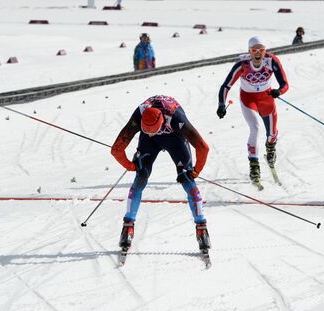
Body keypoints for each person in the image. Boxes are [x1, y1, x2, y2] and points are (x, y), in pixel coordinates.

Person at [111, 95, 210, 252]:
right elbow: (116, 149)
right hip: (149, 142)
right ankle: (128, 226)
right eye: (146, 131)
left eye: (153, 131)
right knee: (141, 175)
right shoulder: (140, 114)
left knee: (187, 179)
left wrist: (195, 171)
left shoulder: (176, 117)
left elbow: (203, 147)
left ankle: (201, 227)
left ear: (162, 122)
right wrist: (130, 165)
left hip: (174, 137)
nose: (150, 133)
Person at [216, 36, 289, 186]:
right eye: (254, 50)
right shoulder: (242, 64)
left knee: (272, 134)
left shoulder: (271, 61)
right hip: (248, 99)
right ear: (249, 51)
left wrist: (279, 91)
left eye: (261, 50)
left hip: (267, 98)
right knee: (255, 127)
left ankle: (270, 148)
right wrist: (221, 104)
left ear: (265, 51)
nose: (257, 53)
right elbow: (226, 85)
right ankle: (254, 166)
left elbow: (285, 84)